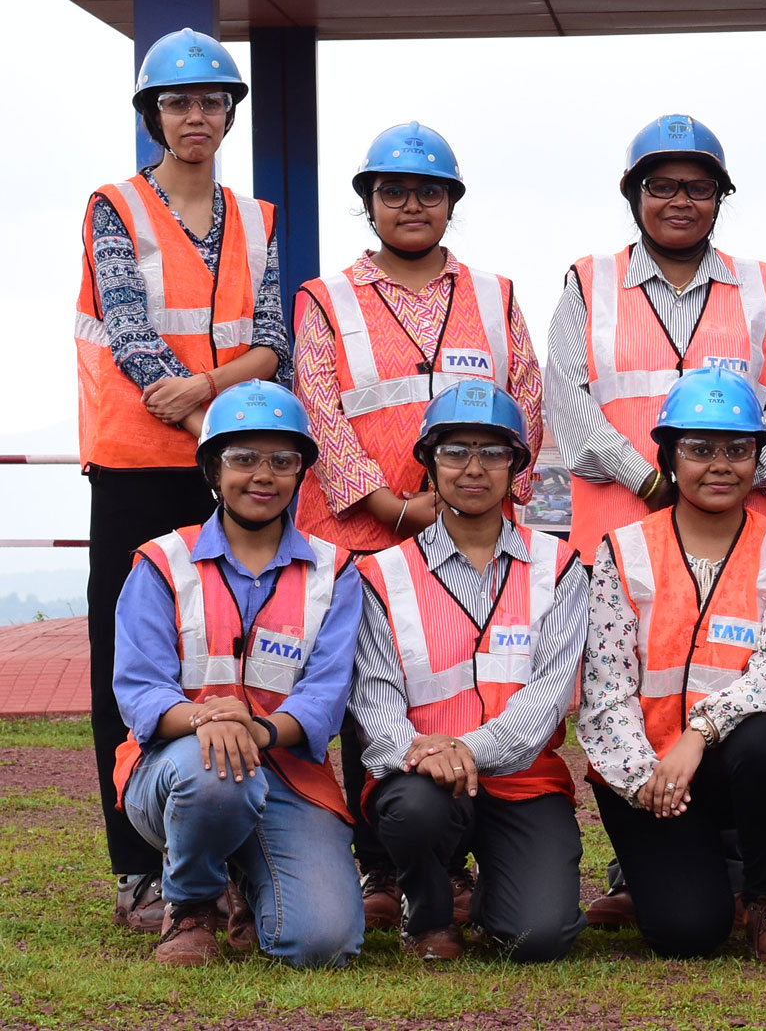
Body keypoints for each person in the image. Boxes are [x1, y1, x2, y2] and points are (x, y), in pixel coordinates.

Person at [293, 120, 543, 931]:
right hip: (365, 534)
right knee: (372, 702)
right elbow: (321, 417)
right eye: (392, 191)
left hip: (474, 527)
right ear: (368, 203)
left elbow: (527, 404)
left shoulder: (495, 296)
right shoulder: (326, 300)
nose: (411, 204)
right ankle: (383, 865)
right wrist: (395, 507)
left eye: (428, 192)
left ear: (451, 203)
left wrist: (487, 497)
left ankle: (455, 862)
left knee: (468, 685)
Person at [78, 27, 291, 934]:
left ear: (231, 114)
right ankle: (141, 870)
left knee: (235, 646)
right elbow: (130, 337)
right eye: (177, 102)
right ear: (152, 115)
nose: (195, 115)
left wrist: (210, 393)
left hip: (225, 464)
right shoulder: (113, 207)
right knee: (123, 662)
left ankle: (229, 852)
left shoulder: (256, 219)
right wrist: (222, 411)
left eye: (211, 101)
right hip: (137, 464)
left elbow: (273, 338)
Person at [111, 381, 362, 967]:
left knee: (321, 944)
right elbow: (142, 693)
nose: (263, 475)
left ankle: (248, 884)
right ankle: (192, 907)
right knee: (216, 774)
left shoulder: (336, 572)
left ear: (301, 472)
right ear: (211, 471)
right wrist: (208, 720)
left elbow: (326, 697)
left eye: (282, 460)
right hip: (179, 773)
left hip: (288, 777)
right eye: (243, 458)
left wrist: (257, 731)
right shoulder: (161, 563)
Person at [578, 368, 766, 964]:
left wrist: (698, 735)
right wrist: (648, 780)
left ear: (758, 460)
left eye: (738, 450)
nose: (720, 464)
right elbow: (605, 690)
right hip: (649, 776)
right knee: (688, 934)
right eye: (699, 449)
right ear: (669, 456)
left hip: (732, 762)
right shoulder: (623, 549)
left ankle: (764, 900)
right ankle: (658, 876)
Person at [350, 382, 589, 963]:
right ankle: (428, 913)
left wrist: (459, 749)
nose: (473, 468)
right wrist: (424, 755)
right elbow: (374, 705)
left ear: (517, 466)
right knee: (415, 810)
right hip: (419, 781)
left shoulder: (560, 566)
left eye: (493, 452)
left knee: (542, 937)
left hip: (522, 782)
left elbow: (546, 699)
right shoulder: (383, 575)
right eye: (455, 451)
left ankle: (489, 899)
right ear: (430, 464)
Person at [548, 114, 766, 567]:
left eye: (699, 188)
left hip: (739, 548)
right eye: (662, 186)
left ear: (719, 198)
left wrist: (712, 491)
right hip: (614, 548)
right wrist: (649, 482)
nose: (682, 201)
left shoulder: (762, 288)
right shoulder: (590, 284)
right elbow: (571, 412)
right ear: (634, 195)